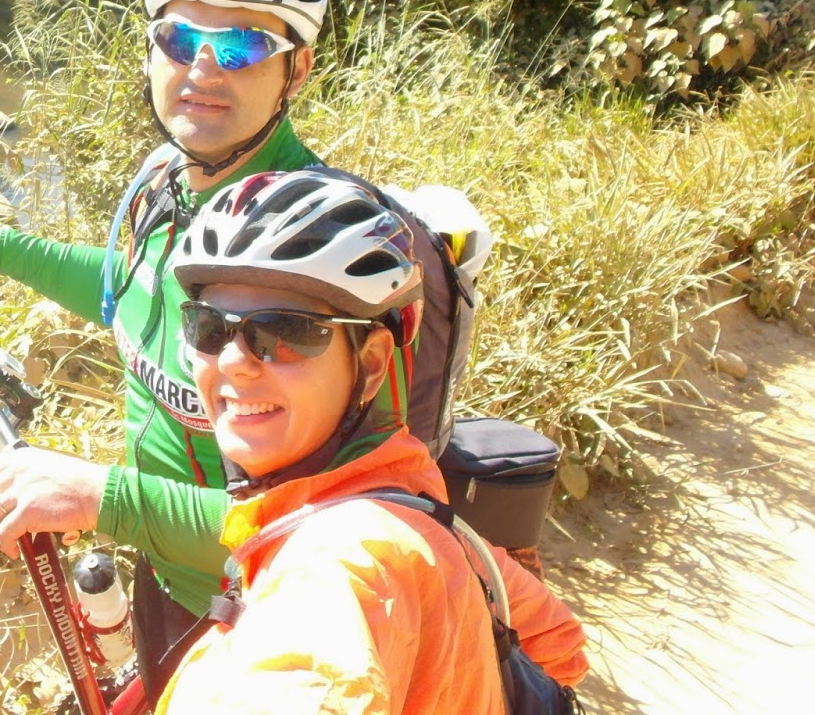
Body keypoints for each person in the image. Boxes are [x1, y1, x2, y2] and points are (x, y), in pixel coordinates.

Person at [0, 0, 331, 660]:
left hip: (261, 617)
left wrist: (99, 496)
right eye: (179, 38)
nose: (203, 69)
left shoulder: (314, 247)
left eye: (242, 44)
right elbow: (132, 292)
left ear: (296, 69)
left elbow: (322, 522)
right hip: (164, 567)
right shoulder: (169, 179)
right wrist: (1, 249)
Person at [156, 170, 588, 713]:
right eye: (209, 327)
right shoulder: (406, 489)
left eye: (286, 331)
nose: (234, 361)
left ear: (373, 363)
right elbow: (558, 644)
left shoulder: (342, 565)